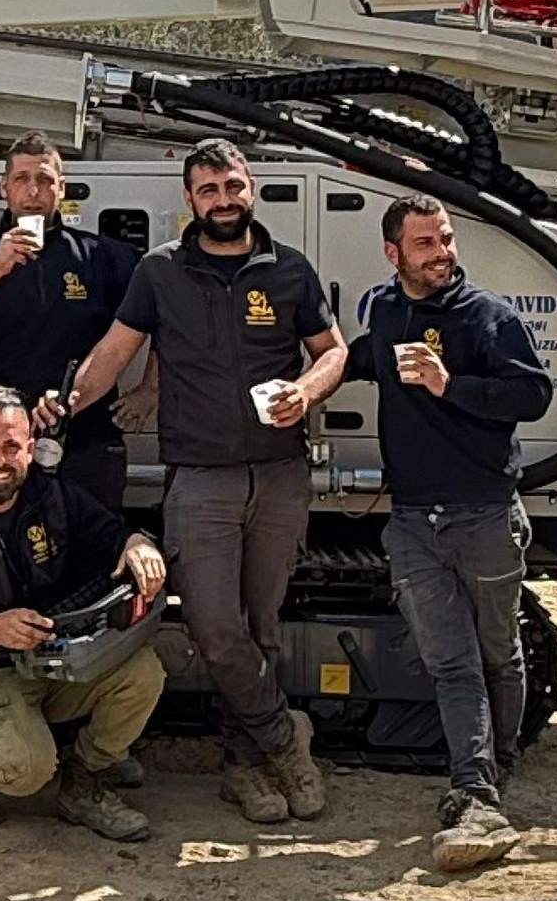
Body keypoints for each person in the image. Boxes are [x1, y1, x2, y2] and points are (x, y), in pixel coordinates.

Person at [35, 137, 346, 826]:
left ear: (251, 187)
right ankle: (284, 741)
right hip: (200, 477)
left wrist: (306, 389)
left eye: (232, 186)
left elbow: (334, 353)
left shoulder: (290, 271)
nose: (223, 200)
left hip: (280, 472)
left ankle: (244, 767)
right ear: (190, 200)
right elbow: (111, 355)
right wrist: (62, 406)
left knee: (261, 628)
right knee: (213, 628)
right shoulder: (161, 271)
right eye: (209, 190)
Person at [345, 195, 552, 872]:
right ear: (394, 254)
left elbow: (532, 396)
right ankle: (474, 785)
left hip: (486, 515)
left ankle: (501, 762)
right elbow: (353, 359)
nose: (440, 253)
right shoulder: (388, 314)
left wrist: (449, 384)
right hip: (412, 522)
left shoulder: (488, 317)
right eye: (425, 244)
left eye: (446, 239)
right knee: (452, 661)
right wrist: (296, 385)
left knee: (500, 653)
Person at [0, 388, 167, 841]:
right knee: (26, 769)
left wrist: (137, 543)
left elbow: (109, 534)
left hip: (53, 661)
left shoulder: (56, 497)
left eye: (11, 446)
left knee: (143, 675)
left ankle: (83, 783)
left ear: (30, 448)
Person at [0, 131, 148, 513]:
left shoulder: (105, 257)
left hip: (85, 449)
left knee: (89, 563)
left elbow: (164, 316)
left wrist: (150, 388)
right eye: (22, 179)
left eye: (44, 180)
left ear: (62, 188)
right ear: (4, 188)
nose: (33, 191)